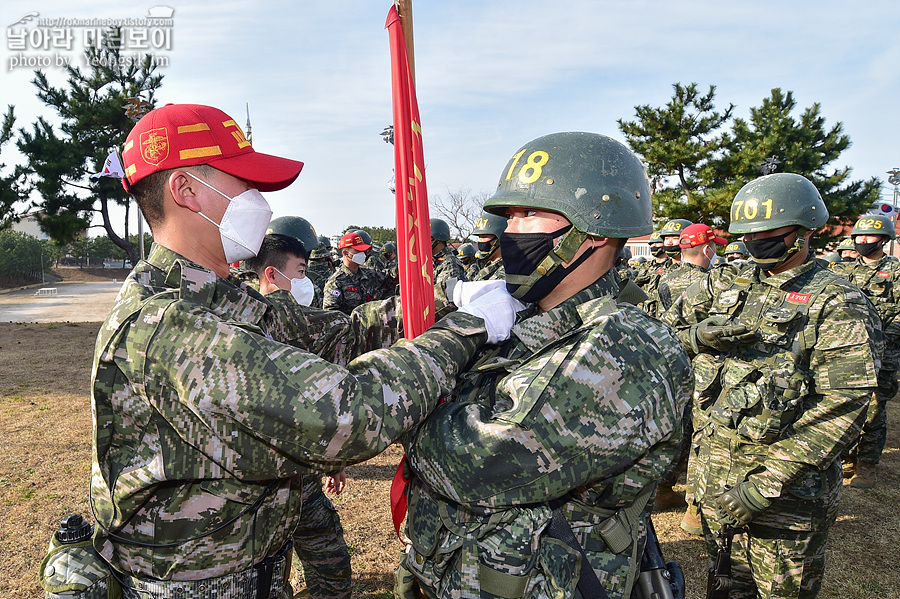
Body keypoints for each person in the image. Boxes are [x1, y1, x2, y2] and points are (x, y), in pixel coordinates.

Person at [95, 103, 522, 598]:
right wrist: (464, 331)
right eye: (245, 185)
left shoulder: (216, 295)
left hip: (252, 573)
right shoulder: (169, 324)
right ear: (187, 191)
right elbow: (346, 415)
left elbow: (335, 337)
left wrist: (439, 299)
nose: (262, 204)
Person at [396, 132, 693, 599]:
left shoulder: (627, 348)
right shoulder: (526, 313)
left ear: (593, 230)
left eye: (529, 214)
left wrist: (401, 398)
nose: (509, 232)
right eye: (509, 216)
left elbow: (475, 464)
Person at [662, 172, 882, 599]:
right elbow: (660, 336)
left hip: (785, 501)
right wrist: (692, 337)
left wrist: (765, 484)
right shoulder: (724, 282)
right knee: (726, 586)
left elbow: (846, 403)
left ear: (802, 232)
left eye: (767, 233)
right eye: (747, 234)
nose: (754, 242)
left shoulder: (836, 301)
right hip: (715, 483)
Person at [244, 233, 353, 598]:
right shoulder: (306, 320)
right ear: (272, 274)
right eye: (302, 270)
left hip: (251, 479)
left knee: (265, 566)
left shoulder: (229, 318)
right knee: (327, 558)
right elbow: (329, 400)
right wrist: (333, 462)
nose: (306, 280)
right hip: (296, 473)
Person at [653, 222, 727, 509]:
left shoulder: (665, 280)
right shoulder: (714, 283)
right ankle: (696, 505)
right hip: (705, 366)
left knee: (672, 427)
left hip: (671, 362)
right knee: (702, 434)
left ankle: (661, 487)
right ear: (708, 249)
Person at [831, 213, 900, 488]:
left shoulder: (895, 271)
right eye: (858, 237)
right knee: (844, 404)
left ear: (883, 239)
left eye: (868, 237)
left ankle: (867, 464)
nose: (862, 241)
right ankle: (846, 456)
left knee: (874, 409)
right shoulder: (843, 270)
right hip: (847, 350)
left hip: (883, 352)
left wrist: (883, 338)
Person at [322, 231, 387, 314]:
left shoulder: (370, 274)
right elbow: (331, 315)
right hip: (350, 326)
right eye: (358, 251)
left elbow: (391, 276)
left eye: (363, 251)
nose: (363, 254)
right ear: (346, 253)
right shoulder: (335, 282)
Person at [468, 210, 507, 281]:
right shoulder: (482, 265)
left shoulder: (507, 270)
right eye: (479, 237)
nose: (480, 241)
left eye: (484, 236)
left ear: (500, 238)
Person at [429, 217, 468, 285]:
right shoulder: (432, 260)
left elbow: (444, 293)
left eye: (427, 238)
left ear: (437, 240)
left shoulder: (450, 263)